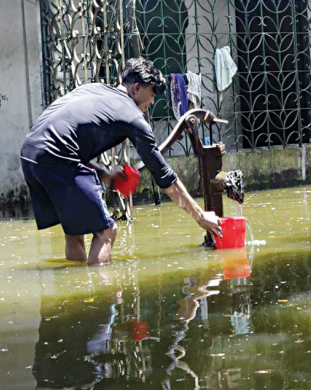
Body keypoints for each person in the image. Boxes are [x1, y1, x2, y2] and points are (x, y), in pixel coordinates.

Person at [20, 57, 222, 265]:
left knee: (74, 230)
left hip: (30, 154)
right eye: (152, 94)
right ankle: (101, 292)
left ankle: (76, 285)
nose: (152, 102)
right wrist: (200, 216)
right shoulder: (133, 117)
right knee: (106, 231)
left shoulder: (95, 89)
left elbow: (64, 142)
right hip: (56, 158)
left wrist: (105, 175)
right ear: (136, 88)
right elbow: (164, 177)